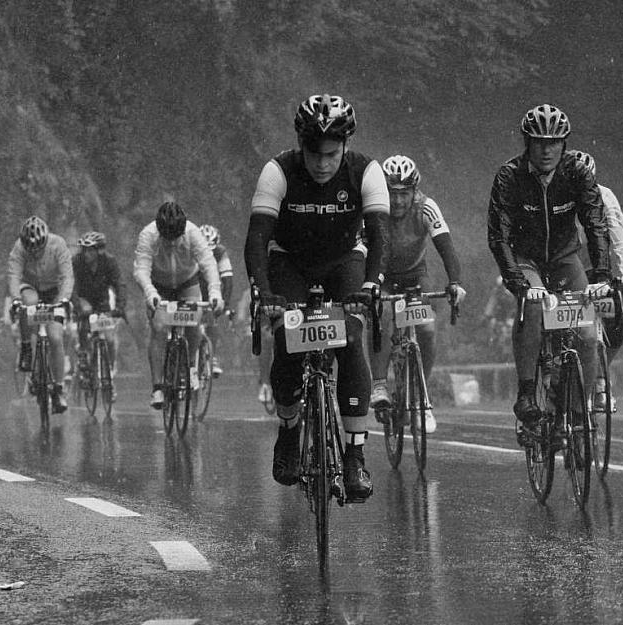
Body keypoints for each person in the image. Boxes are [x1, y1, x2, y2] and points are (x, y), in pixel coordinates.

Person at [244, 93, 390, 500]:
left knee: (351, 340)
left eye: (332, 153)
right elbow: (257, 238)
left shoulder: (366, 171)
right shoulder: (278, 170)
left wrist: (371, 285)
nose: (323, 163)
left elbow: (381, 236)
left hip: (344, 260)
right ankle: (289, 431)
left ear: (345, 146)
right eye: (314, 152)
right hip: (289, 261)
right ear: (301, 144)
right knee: (287, 344)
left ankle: (355, 455)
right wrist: (265, 292)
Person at [487, 104, 611, 427]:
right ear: (527, 143)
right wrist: (518, 282)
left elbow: (596, 223)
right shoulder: (509, 177)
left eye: (554, 142)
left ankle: (578, 408)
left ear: (564, 144)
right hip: (526, 259)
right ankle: (527, 391)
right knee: (532, 307)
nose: (546, 150)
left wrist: (601, 274)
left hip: (565, 258)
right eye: (539, 142)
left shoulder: (577, 173)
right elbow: (498, 236)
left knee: (586, 330)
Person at [369, 155, 466, 432]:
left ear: (415, 192)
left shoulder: (426, 207)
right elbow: (361, 250)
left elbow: (446, 247)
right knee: (382, 314)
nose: (398, 201)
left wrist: (455, 282)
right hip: (382, 275)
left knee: (427, 328)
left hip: (414, 274)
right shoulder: (374, 209)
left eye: (404, 194)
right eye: (392, 194)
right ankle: (379, 385)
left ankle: (421, 394)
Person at [133, 201, 223, 409]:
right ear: (159, 230)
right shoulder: (148, 235)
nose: (172, 242)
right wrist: (150, 293)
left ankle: (190, 367)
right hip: (158, 285)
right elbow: (141, 269)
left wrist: (215, 292)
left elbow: (208, 264)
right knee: (158, 329)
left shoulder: (193, 233)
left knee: (194, 323)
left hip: (186, 282)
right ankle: (157, 387)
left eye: (176, 237)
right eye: (168, 238)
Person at [570, 150, 623, 409]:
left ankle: (599, 377)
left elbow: (620, 237)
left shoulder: (604, 196)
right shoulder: (558, 194)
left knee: (616, 317)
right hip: (564, 269)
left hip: (598, 270)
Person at [7, 216, 74, 413]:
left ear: (45, 241)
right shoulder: (18, 248)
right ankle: (27, 347)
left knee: (55, 338)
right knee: (28, 303)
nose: (34, 253)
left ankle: (59, 389)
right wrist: (15, 299)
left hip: (55, 290)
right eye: (30, 250)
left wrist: (64, 299)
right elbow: (13, 276)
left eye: (39, 249)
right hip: (31, 287)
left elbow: (67, 276)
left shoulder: (58, 244)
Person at [71, 231, 127, 396]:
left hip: (102, 301)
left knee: (109, 338)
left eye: (91, 250)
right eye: (85, 250)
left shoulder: (109, 262)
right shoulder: (76, 262)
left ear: (99, 251)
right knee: (86, 315)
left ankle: (109, 372)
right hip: (83, 299)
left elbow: (119, 284)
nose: (87, 254)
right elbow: (71, 286)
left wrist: (120, 307)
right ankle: (83, 354)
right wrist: (77, 306)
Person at [198, 224, 234, 377]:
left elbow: (227, 280)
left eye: (211, 250)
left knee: (212, 320)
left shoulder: (220, 252)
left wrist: (225, 303)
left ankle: (212, 357)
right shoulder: (192, 250)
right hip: (193, 287)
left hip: (212, 289)